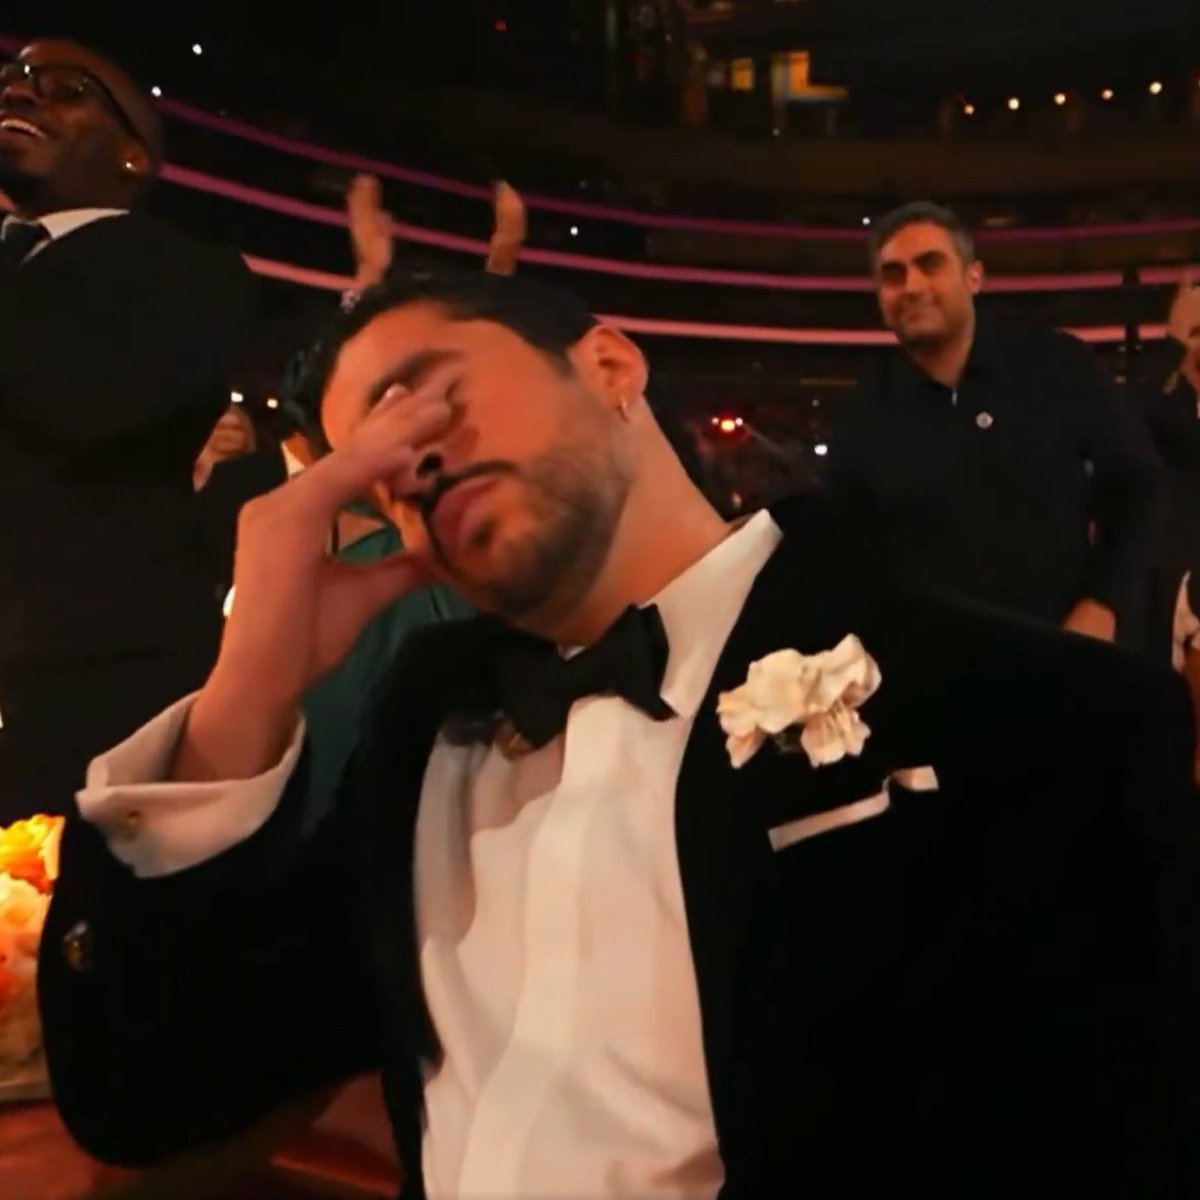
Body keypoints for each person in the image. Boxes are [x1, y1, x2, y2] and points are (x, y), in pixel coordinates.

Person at [42, 270, 1200, 1197]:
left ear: (609, 365)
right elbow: (150, 1099)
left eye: (426, 398)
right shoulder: (417, 733)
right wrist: (246, 693)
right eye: (370, 470)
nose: (409, 463)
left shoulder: (1040, 715)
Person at [0, 38, 255, 817]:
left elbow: (83, 405)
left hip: (87, 692)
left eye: (66, 89)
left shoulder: (193, 275)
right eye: (14, 80)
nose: (20, 94)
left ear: (133, 157)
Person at [826, 200, 1164, 652]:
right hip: (931, 669)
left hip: (1063, 655)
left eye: (930, 264)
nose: (912, 286)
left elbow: (1139, 488)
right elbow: (842, 548)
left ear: (974, 276)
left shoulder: (1055, 364)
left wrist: (1103, 604)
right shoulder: (863, 410)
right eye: (893, 274)